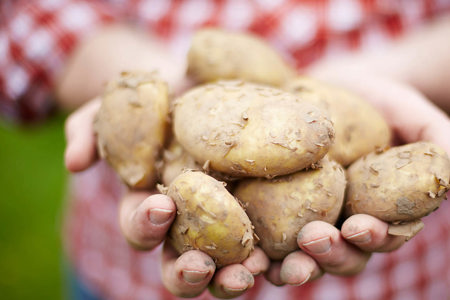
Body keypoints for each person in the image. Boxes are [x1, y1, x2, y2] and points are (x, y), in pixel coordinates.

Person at [1, 0, 450, 299]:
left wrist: (400, 71)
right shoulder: (188, 120)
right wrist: (132, 83)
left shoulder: (326, 128)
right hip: (124, 278)